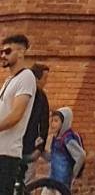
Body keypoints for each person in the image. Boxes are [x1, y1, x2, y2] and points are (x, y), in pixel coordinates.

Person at [0, 36, 37, 195]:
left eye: (8, 51)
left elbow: (16, 115)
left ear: (21, 52)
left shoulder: (26, 77)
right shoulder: (9, 80)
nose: (3, 55)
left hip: (8, 152)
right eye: (1, 52)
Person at [21, 68, 49, 182]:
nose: (46, 82)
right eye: (45, 78)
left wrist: (39, 148)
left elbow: (44, 125)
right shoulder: (21, 93)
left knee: (27, 182)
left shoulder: (41, 97)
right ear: (36, 79)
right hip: (13, 145)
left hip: (30, 147)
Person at [47, 109, 85, 190]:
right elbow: (51, 158)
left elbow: (81, 155)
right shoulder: (56, 138)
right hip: (53, 179)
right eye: (52, 120)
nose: (52, 124)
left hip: (63, 182)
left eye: (56, 121)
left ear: (64, 122)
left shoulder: (67, 139)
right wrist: (40, 151)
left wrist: (73, 175)